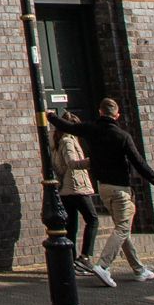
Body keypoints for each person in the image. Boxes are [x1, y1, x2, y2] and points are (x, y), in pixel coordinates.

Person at [47, 98, 154, 287]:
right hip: (120, 189)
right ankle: (103, 265)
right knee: (122, 228)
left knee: (122, 228)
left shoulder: (92, 129)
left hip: (103, 190)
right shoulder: (122, 136)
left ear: (100, 112)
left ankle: (139, 269)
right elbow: (138, 162)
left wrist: (50, 116)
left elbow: (68, 127)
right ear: (117, 115)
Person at [49, 115, 99, 270]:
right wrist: (92, 162)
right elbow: (71, 163)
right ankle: (84, 257)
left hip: (66, 190)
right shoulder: (68, 141)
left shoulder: (58, 142)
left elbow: (58, 166)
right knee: (93, 219)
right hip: (77, 188)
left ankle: (69, 260)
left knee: (71, 226)